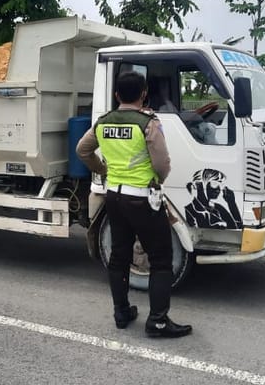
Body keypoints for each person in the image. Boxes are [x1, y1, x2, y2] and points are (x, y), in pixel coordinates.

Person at [76, 70, 192, 338]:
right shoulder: (147, 123)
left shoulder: (103, 123)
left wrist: (104, 171)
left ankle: (121, 312)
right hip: (142, 198)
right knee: (161, 259)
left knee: (119, 256)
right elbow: (163, 164)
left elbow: (82, 150)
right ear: (143, 94)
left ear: (117, 95)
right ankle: (158, 321)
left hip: (114, 197)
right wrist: (156, 180)